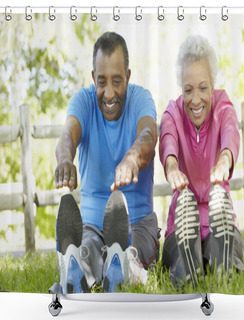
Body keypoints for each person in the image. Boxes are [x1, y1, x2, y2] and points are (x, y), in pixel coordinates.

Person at [50, 31, 160, 294]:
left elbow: (148, 136)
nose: (109, 94)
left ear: (128, 77)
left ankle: (121, 264)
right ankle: (78, 268)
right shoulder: (83, 101)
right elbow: (68, 134)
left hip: (139, 223)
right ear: (93, 79)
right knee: (87, 248)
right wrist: (65, 159)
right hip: (91, 224)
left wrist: (133, 156)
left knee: (131, 252)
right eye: (102, 82)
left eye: (117, 81)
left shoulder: (141, 99)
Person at [159, 34, 244, 288]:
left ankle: (220, 259)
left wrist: (224, 158)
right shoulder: (173, 112)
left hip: (219, 219)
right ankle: (190, 263)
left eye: (203, 88)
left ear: (213, 84)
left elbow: (231, 131)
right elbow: (167, 137)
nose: (195, 99)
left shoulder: (223, 107)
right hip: (182, 225)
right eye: (188, 90)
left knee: (224, 245)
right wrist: (172, 165)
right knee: (185, 248)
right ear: (181, 89)